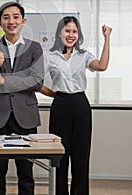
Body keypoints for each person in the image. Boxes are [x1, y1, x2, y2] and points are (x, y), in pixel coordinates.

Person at [40, 16, 112, 195]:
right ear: (59, 33)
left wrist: (107, 38)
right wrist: (56, 94)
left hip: (80, 105)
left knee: (80, 156)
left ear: (78, 35)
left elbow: (102, 66)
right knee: (59, 155)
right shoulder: (50, 56)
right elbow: (36, 82)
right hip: (60, 105)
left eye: (74, 31)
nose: (71, 35)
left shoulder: (84, 55)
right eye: (67, 31)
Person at [0, 1, 44, 195]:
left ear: (23, 21)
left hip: (25, 114)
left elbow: (37, 81)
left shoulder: (34, 48)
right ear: (0, 22)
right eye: (6, 17)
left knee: (26, 172)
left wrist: (4, 80)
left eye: (16, 17)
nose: (11, 21)